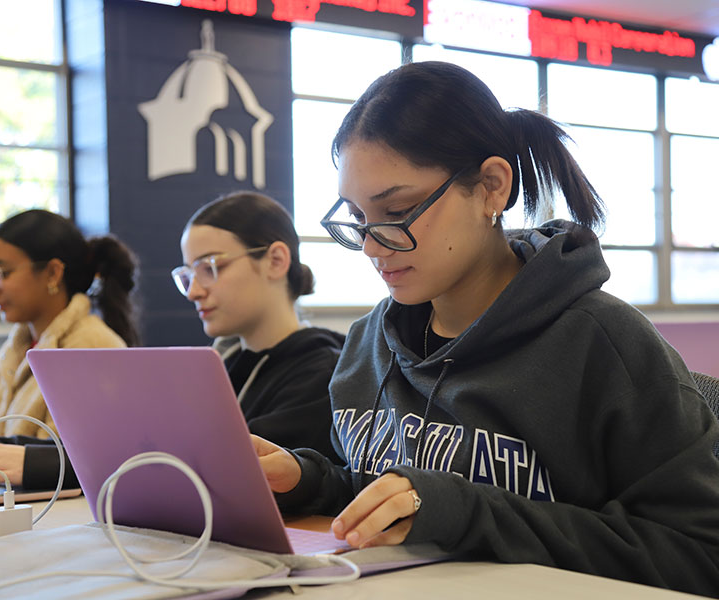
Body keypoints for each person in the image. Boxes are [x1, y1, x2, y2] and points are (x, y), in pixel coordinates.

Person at [252, 61, 719, 597]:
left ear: (492, 188)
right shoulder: (368, 345)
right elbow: (382, 491)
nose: (372, 246)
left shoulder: (604, 345)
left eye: (397, 211)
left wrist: (467, 513)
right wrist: (308, 479)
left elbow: (700, 553)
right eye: (358, 218)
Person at [0, 208, 139, 488]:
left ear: (52, 273)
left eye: (2, 272)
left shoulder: (93, 348)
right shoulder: (13, 349)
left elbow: (64, 462)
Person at [174, 191, 345, 462]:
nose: (193, 291)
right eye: (188, 275)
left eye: (209, 267)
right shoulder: (223, 365)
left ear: (276, 261)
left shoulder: (323, 378)